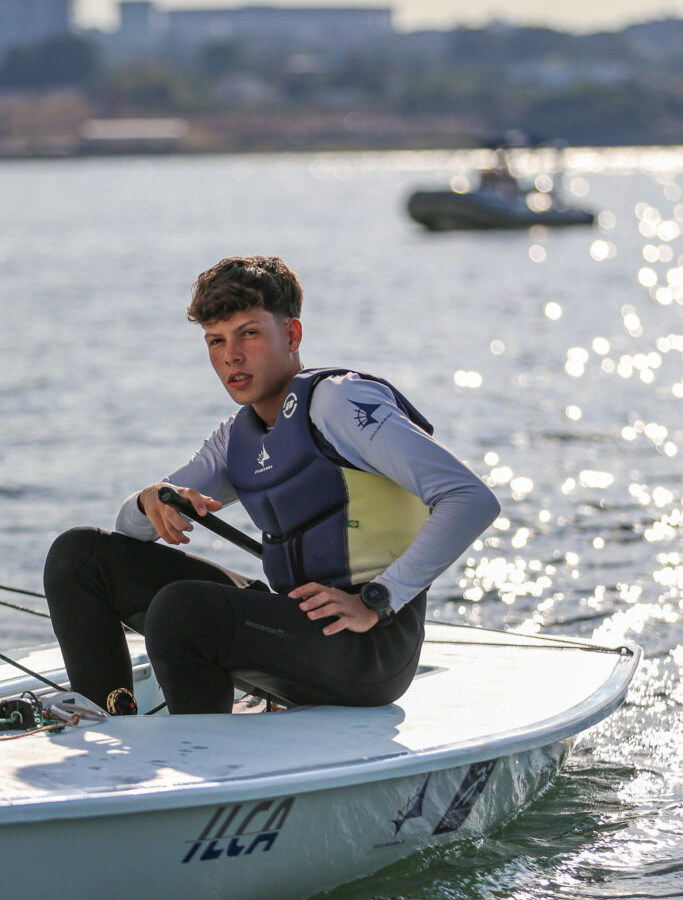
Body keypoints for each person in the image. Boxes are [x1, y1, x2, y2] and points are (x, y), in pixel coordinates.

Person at [44, 256, 499, 714]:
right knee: (78, 557)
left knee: (183, 610)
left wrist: (377, 601)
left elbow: (471, 498)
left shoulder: (341, 403)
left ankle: (200, 754)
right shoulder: (234, 438)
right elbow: (131, 537)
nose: (231, 356)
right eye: (216, 341)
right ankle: (105, 716)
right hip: (293, 627)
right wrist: (149, 502)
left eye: (249, 333)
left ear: (292, 335)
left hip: (369, 646)